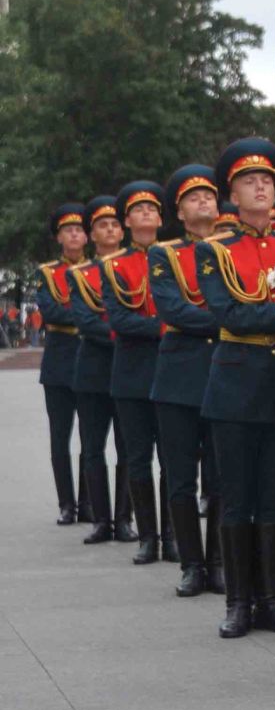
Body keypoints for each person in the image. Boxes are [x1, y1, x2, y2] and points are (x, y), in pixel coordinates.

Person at [197, 137, 275, 641]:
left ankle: (271, 601)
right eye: (248, 182)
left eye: (266, 181)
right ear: (232, 197)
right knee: (236, 498)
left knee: (273, 499)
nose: (260, 187)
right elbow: (230, 312)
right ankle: (239, 602)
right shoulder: (212, 249)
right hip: (236, 383)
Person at [149, 164, 224, 598]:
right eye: (193, 198)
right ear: (179, 211)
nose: (203, 203)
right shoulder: (165, 254)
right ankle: (191, 564)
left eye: (209, 196)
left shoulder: (229, 247)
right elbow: (172, 310)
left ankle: (216, 562)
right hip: (178, 378)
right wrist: (227, 322)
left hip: (222, 377)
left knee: (219, 478)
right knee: (180, 478)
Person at [102, 181, 168, 565]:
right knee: (139, 458)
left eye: (152, 209)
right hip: (131, 372)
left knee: (174, 462)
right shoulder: (113, 265)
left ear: (161, 217)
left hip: (171, 370)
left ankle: (175, 536)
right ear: (127, 220)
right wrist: (165, 325)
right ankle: (148, 537)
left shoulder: (176, 258)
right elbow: (120, 320)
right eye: (138, 209)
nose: (146, 214)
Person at [68, 196, 136, 545]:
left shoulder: (133, 267)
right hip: (93, 369)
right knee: (93, 448)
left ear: (122, 230)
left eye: (113, 224)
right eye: (101, 226)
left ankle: (124, 518)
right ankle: (100, 519)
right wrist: (126, 333)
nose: (109, 229)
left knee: (128, 449)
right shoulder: (79, 274)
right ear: (92, 235)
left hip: (126, 369)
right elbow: (84, 321)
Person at [36, 203, 88, 524]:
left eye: (79, 230)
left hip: (89, 360)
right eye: (68, 230)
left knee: (91, 439)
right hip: (58, 362)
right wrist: (87, 319)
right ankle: (66, 503)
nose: (74, 234)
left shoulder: (99, 268)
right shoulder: (47, 273)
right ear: (59, 237)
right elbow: (50, 313)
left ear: (87, 236)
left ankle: (89, 500)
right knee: (60, 438)